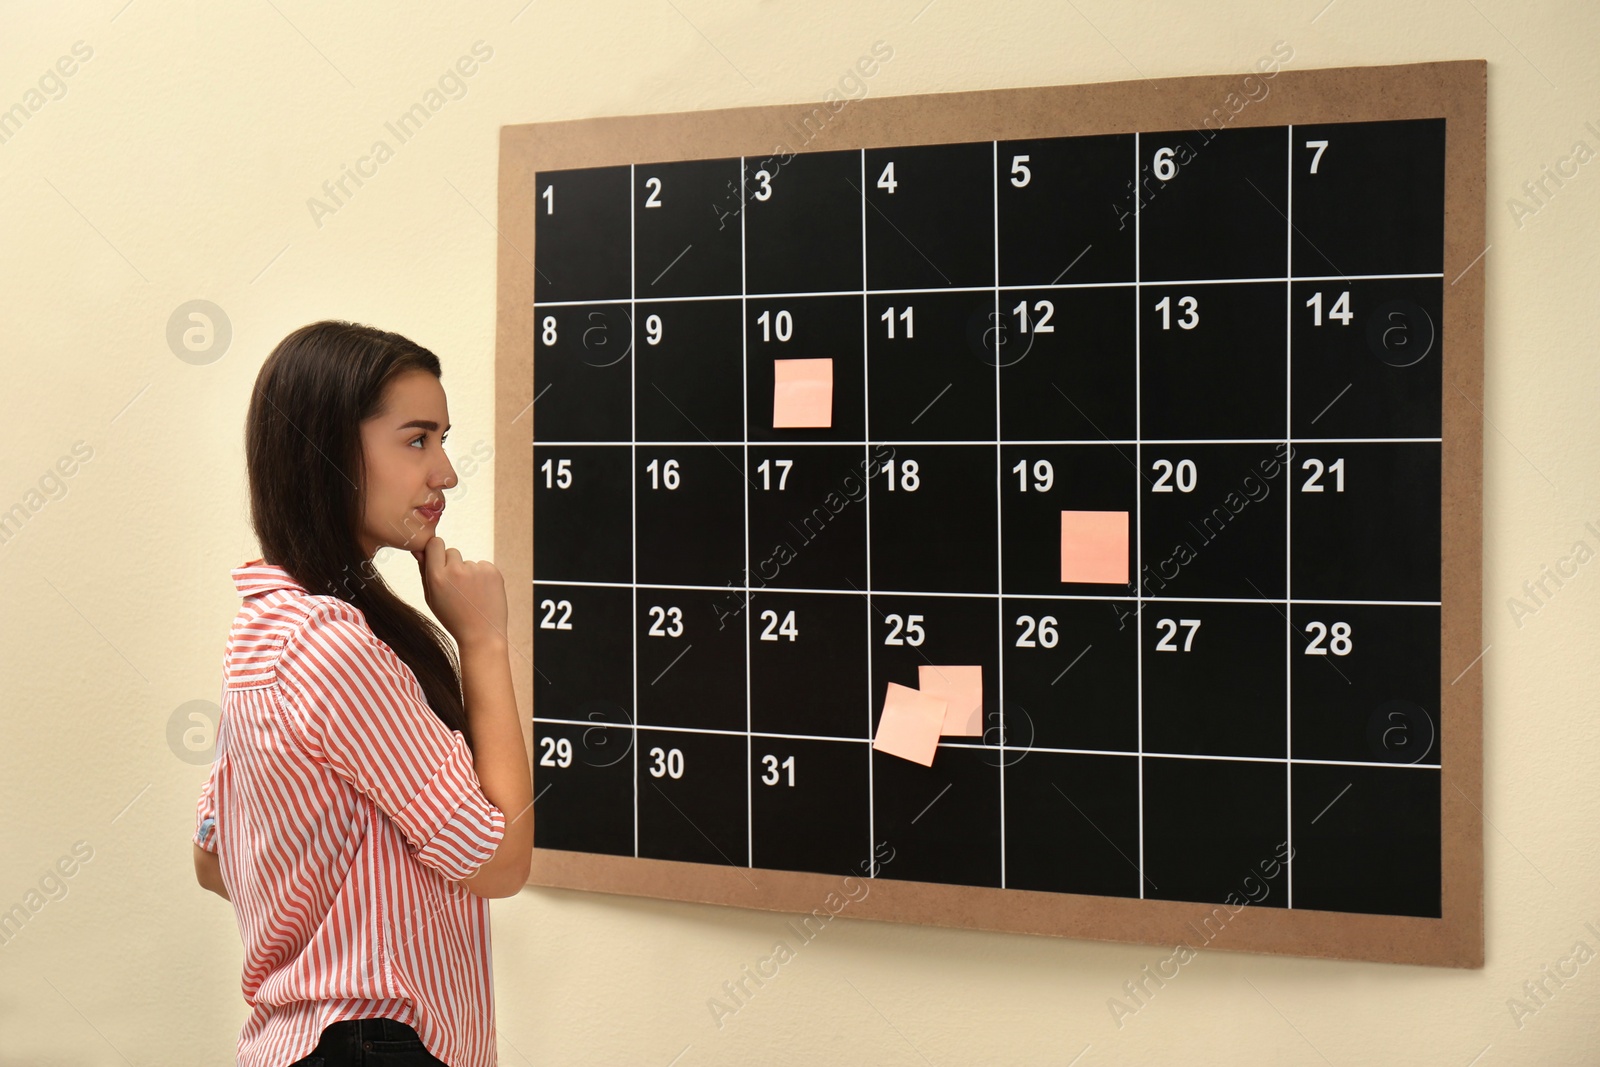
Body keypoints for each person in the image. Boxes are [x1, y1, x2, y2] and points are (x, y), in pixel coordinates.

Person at [190, 321, 532, 1066]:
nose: (444, 470)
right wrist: (486, 641)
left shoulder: (264, 626)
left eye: (442, 438)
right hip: (370, 1041)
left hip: (301, 1042)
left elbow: (214, 858)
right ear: (327, 450)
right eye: (417, 439)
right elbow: (502, 859)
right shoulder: (334, 645)